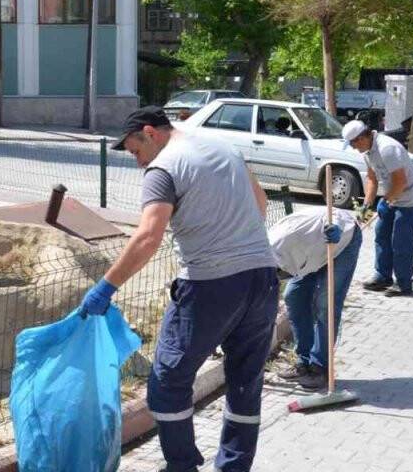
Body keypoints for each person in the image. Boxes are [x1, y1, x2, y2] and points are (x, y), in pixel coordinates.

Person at [80, 106, 277, 472]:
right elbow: (261, 204)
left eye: (135, 151)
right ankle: (234, 466)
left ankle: (182, 465)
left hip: (209, 287)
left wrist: (105, 288)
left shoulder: (163, 167)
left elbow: (148, 237)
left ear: (150, 133)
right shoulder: (224, 147)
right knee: (245, 382)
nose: (137, 162)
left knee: (168, 381)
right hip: (262, 278)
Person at [271, 209, 362, 391]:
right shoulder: (269, 258)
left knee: (325, 304)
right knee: (294, 296)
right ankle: (304, 362)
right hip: (310, 256)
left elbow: (334, 216)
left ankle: (320, 368)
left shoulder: (283, 239)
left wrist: (335, 227)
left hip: (340, 244)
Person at [342, 120, 413, 296]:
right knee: (381, 235)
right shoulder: (368, 151)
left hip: (410, 200)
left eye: (352, 143)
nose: (352, 147)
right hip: (393, 196)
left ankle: (404, 284)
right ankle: (383, 277)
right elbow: (372, 179)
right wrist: (366, 206)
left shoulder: (387, 149)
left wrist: (385, 201)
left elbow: (401, 182)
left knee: (401, 242)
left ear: (361, 138)